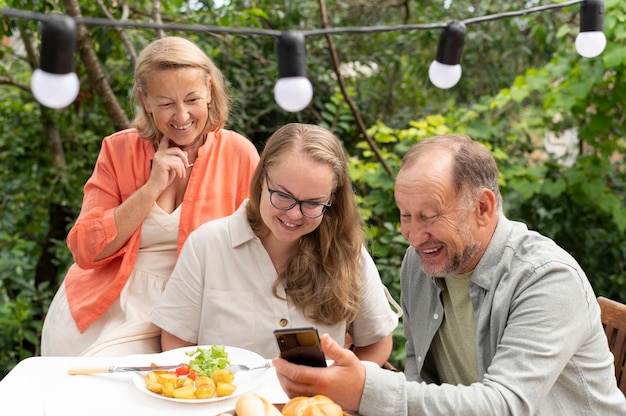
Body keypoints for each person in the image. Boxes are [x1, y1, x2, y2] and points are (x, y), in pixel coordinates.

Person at [273, 134, 626, 415]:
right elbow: (419, 372)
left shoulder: (546, 278)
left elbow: (505, 406)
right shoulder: (419, 263)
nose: (411, 235)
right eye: (405, 215)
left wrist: (367, 389)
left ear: (483, 207)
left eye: (428, 216)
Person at [41, 36, 260, 357]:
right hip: (102, 310)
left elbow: (260, 248)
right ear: (145, 101)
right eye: (166, 103)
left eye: (192, 99)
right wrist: (150, 188)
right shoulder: (117, 149)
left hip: (186, 311)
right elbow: (86, 250)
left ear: (210, 92)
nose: (182, 116)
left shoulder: (238, 153)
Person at [151, 123, 399, 363]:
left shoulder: (348, 253)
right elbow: (176, 344)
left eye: (312, 203)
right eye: (282, 195)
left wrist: (347, 386)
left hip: (317, 404)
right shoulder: (207, 245)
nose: (293, 215)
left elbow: (376, 342)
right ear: (261, 181)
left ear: (332, 200)